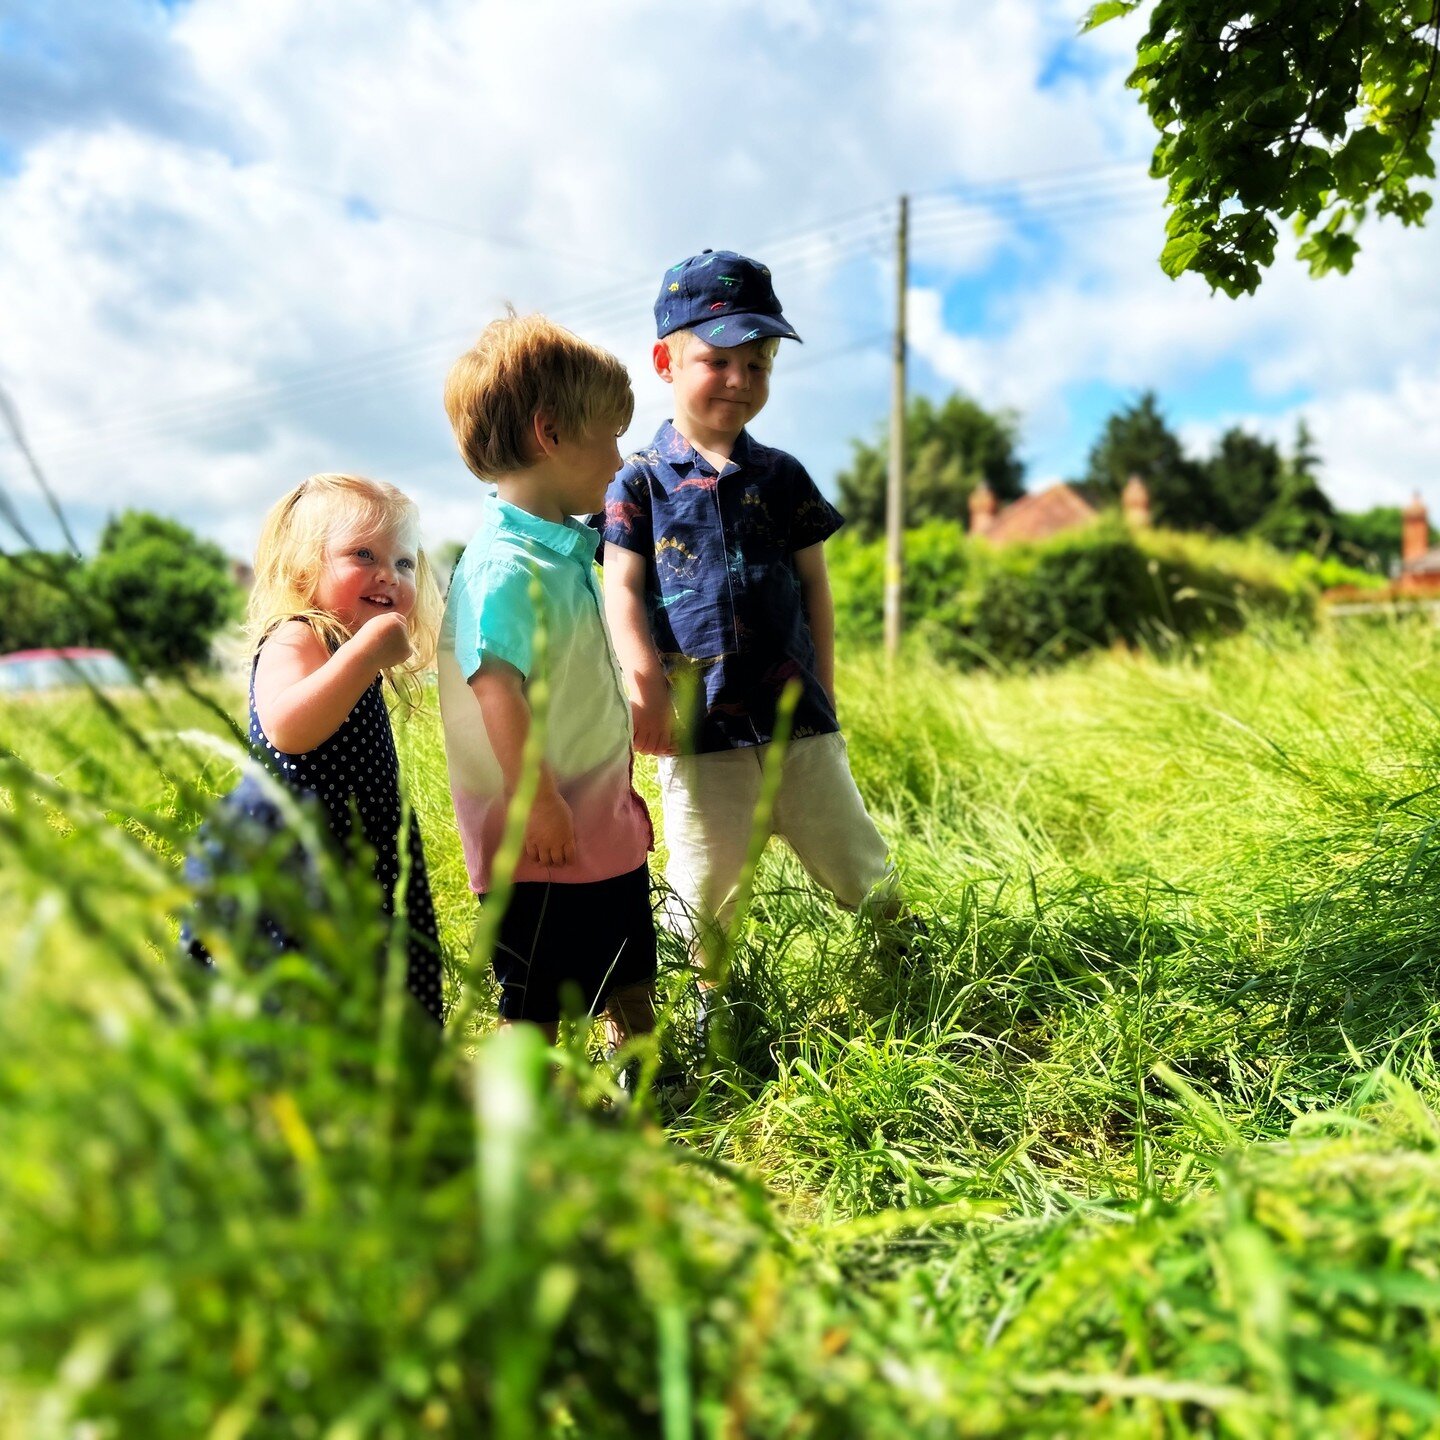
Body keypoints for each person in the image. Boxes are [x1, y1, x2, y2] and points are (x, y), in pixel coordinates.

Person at [601, 249, 898, 982]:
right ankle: (705, 1011)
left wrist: (824, 688)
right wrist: (640, 678)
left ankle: (906, 961)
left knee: (858, 861)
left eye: (758, 364)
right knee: (704, 891)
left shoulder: (783, 475)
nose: (740, 380)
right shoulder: (636, 481)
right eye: (718, 360)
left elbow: (814, 590)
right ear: (665, 362)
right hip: (700, 730)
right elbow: (620, 587)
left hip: (801, 725)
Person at [438, 313, 656, 1046]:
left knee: (629, 961)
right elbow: (494, 684)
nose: (622, 460)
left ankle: (644, 1071)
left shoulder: (561, 552)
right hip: (544, 833)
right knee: (534, 992)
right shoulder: (505, 564)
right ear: (552, 434)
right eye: (611, 437)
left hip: (596, 816)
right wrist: (537, 797)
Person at [184, 473, 446, 1026]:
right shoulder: (297, 634)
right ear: (306, 569)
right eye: (363, 554)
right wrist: (365, 656)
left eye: (404, 562)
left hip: (360, 844)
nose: (389, 575)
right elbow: (286, 726)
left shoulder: (350, 646)